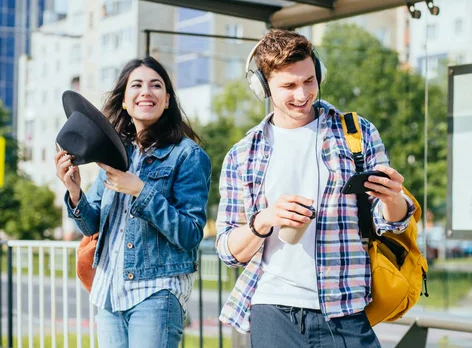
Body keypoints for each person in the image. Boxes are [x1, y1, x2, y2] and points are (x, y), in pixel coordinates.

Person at [215, 29, 416, 347]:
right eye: (288, 86)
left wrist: (393, 198)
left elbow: (391, 221)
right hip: (272, 310)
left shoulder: (357, 133)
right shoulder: (243, 154)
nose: (302, 94)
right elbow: (228, 250)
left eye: (309, 81)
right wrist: (264, 220)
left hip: (344, 307)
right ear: (264, 86)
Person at [55, 57, 211, 348]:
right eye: (136, 85)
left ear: (167, 101)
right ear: (125, 100)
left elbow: (190, 234)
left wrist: (142, 191)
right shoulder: (114, 152)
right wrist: (74, 192)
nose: (146, 92)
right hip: (109, 294)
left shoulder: (187, 156)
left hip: (156, 294)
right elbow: (92, 225)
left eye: (156, 85)